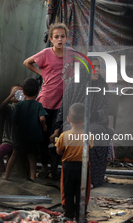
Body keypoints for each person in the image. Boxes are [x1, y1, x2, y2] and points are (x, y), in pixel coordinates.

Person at [23, 23, 76, 178]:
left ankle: (55, 169)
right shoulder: (46, 53)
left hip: (64, 102)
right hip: (46, 100)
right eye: (56, 37)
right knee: (44, 137)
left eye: (62, 36)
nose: (60, 39)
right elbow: (27, 62)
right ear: (51, 39)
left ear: (66, 38)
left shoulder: (72, 54)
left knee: (59, 136)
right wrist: (41, 74)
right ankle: (45, 167)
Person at [51, 57, 111, 187]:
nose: (97, 70)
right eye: (93, 66)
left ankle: (92, 179)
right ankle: (73, 177)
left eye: (98, 67)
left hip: (94, 121)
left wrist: (91, 115)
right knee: (74, 132)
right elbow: (64, 107)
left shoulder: (102, 84)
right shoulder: (75, 83)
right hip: (73, 120)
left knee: (94, 133)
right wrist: (57, 127)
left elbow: (105, 109)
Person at [3, 78, 47, 181]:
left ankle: (6, 175)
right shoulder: (38, 105)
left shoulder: (19, 105)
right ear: (37, 92)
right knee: (31, 157)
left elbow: (14, 118)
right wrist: (44, 125)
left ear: (23, 92)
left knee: (14, 155)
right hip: (33, 136)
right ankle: (32, 177)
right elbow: (42, 118)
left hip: (20, 135)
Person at [55, 103, 92, 222]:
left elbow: (59, 152)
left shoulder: (64, 136)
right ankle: (81, 215)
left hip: (68, 167)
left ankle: (68, 214)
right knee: (82, 191)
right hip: (84, 167)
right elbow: (89, 147)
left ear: (68, 119)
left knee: (67, 190)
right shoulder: (88, 135)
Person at [0, 84, 23, 177]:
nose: (18, 95)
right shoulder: (9, 108)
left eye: (21, 93)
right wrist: (10, 95)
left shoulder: (26, 107)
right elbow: (1, 108)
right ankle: (1, 170)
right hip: (9, 141)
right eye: (15, 93)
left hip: (22, 142)